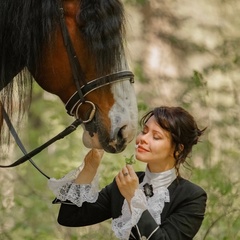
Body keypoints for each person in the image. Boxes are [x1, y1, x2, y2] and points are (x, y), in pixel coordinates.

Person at [48, 106, 207, 240]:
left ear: (178, 149)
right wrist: (90, 167)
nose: (143, 139)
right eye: (144, 131)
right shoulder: (124, 183)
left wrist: (133, 197)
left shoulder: (192, 197)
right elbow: (69, 217)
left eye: (156, 137)